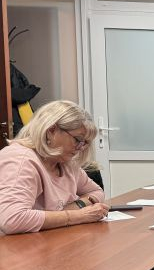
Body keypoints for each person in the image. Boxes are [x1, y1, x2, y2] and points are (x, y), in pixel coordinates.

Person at [0, 100, 108, 234]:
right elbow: (12, 219)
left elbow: (97, 192)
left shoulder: (63, 161)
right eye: (78, 140)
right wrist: (79, 215)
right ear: (51, 130)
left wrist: (76, 205)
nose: (81, 148)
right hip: (18, 245)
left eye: (85, 143)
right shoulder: (20, 159)